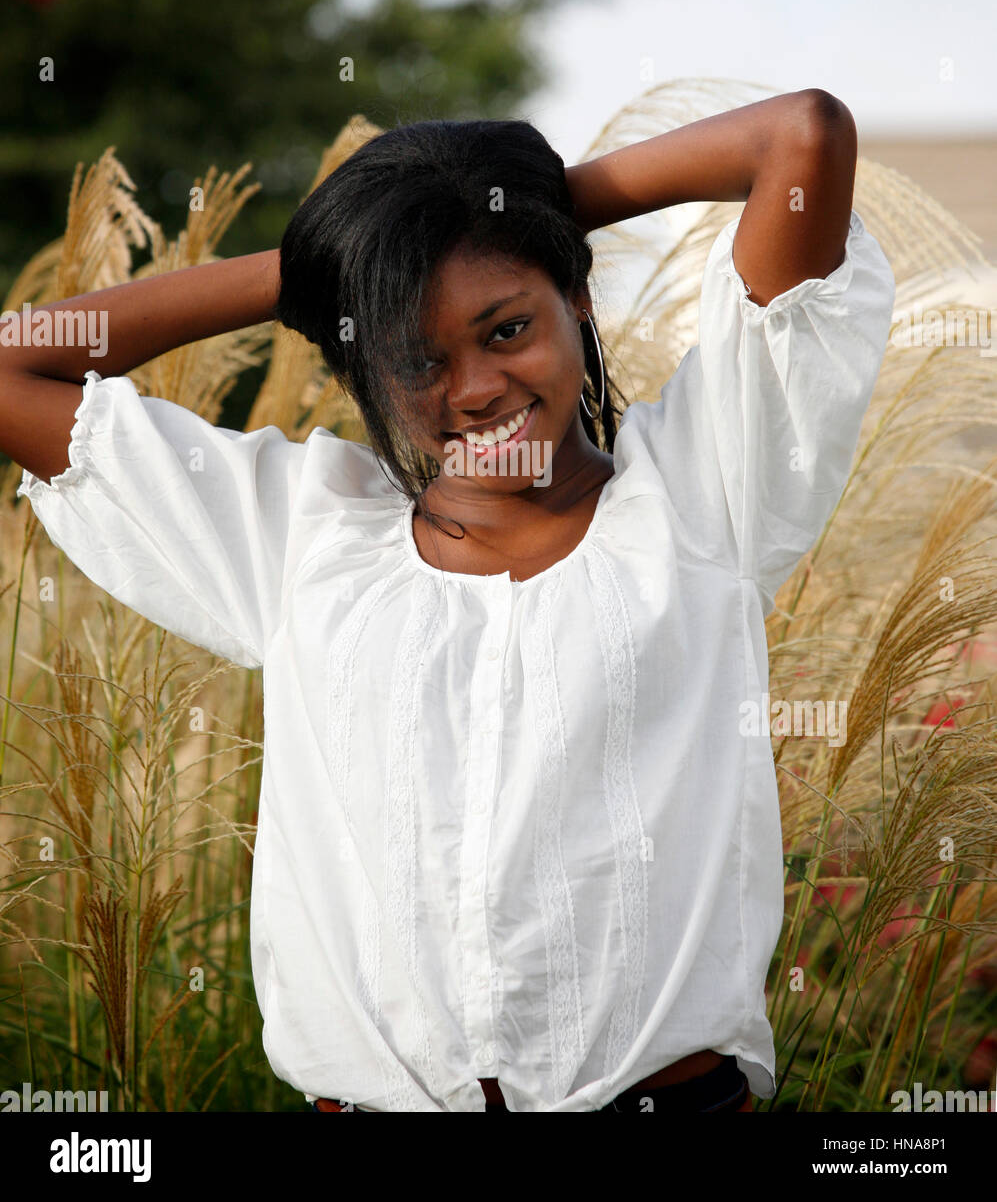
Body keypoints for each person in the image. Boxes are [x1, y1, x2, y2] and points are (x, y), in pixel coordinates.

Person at [1, 91, 896, 1112]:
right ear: (362, 372)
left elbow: (802, 136)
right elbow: (14, 363)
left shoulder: (703, 495)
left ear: (578, 299)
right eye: (418, 358)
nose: (473, 388)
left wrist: (520, 205)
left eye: (507, 326)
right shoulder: (295, 539)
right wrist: (326, 261)